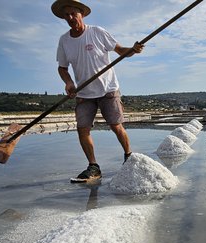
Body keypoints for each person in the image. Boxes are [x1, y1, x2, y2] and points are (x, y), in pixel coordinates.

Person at [52, 0, 144, 181]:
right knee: (82, 129)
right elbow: (62, 68)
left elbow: (120, 50)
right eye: (66, 15)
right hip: (84, 94)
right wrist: (69, 83)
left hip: (108, 89)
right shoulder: (64, 40)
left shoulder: (97, 32)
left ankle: (128, 156)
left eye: (73, 14)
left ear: (82, 14)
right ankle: (93, 167)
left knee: (116, 126)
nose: (70, 18)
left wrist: (132, 50)